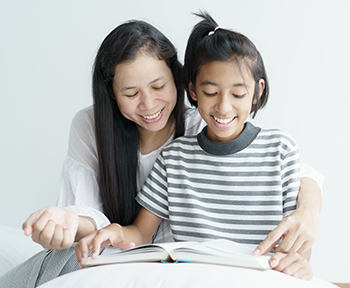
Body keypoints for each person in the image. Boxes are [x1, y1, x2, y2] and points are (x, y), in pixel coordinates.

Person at [0, 17, 322, 287]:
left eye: (158, 87)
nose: (149, 104)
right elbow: (125, 229)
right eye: (131, 93)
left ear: (180, 80)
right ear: (111, 93)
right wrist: (72, 221)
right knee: (65, 260)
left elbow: (295, 176)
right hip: (129, 255)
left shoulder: (209, 122)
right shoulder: (106, 131)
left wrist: (306, 221)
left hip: (205, 264)